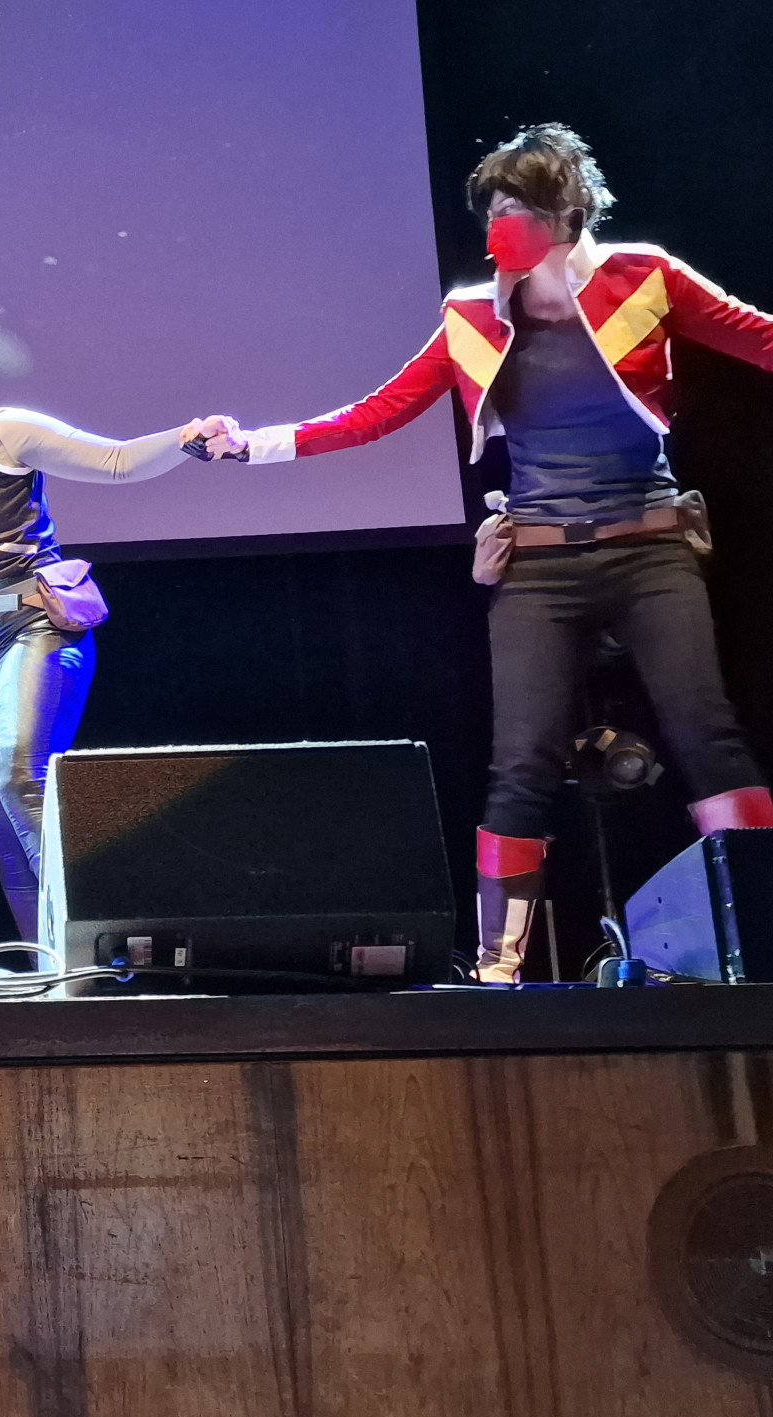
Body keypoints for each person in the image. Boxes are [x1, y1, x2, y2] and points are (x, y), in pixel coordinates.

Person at [203, 124, 773, 982]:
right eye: (494, 208)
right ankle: (498, 970)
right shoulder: (472, 315)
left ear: (568, 212)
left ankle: (758, 936)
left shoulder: (644, 276)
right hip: (538, 564)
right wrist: (251, 446)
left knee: (708, 735)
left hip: (650, 546)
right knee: (522, 762)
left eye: (519, 206)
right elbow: (376, 413)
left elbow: (758, 336)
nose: (502, 223)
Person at [0, 309, 232, 940]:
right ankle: (46, 974)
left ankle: (100, 954)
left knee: (20, 780)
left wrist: (186, 438)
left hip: (35, 627)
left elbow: (114, 461)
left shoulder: (3, 431)